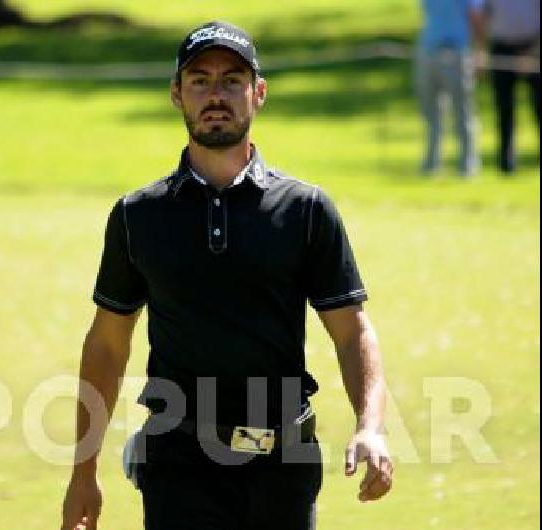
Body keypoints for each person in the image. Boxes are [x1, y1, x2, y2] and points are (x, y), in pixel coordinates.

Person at [60, 21, 393, 530]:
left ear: (258, 93)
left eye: (232, 80)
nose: (216, 95)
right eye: (200, 80)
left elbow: (352, 332)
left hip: (284, 464)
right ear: (177, 94)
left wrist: (371, 425)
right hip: (178, 465)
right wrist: (84, 471)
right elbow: (106, 344)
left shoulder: (305, 210)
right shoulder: (137, 216)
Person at [416, 0, 487, 177]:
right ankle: (432, 164)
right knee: (431, 113)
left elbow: (476, 17)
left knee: (463, 112)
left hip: (457, 51)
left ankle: (468, 164)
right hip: (429, 49)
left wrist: (480, 51)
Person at [485, 0, 540, 173]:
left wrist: (534, 52)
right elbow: (481, 14)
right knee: (504, 109)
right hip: (501, 46)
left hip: (533, 45)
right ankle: (506, 162)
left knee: (539, 106)